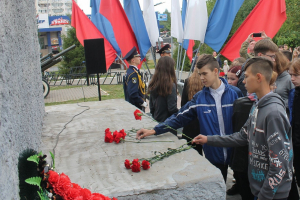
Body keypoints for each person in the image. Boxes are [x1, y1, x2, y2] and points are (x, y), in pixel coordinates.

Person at [193, 57, 293, 200]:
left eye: (246, 76)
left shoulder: (273, 113)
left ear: (259, 77)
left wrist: (264, 196)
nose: (243, 81)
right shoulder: (256, 107)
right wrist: (208, 139)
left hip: (272, 195)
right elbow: (241, 136)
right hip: (259, 190)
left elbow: (279, 164)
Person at [136, 55, 243, 182]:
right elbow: (179, 118)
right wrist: (155, 130)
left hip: (236, 154)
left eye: (204, 74)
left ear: (215, 71)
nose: (201, 78)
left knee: (244, 189)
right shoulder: (200, 98)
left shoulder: (235, 93)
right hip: (214, 156)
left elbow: (243, 121)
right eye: (199, 74)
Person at [181, 55, 204, 155]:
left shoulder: (188, 81)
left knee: (192, 154)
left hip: (190, 124)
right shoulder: (207, 83)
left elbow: (183, 105)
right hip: (204, 123)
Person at [148, 56, 178, 123]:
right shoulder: (171, 86)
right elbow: (172, 109)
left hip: (156, 122)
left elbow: (151, 107)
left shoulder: (153, 84)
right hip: (169, 124)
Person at [288, 58, 300, 187]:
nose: (292, 79)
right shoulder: (293, 93)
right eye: (291, 75)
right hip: (295, 142)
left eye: (296, 75)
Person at [273, 51, 294, 115]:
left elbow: (294, 100)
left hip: (285, 115)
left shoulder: (289, 79)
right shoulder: (272, 77)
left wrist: (278, 103)